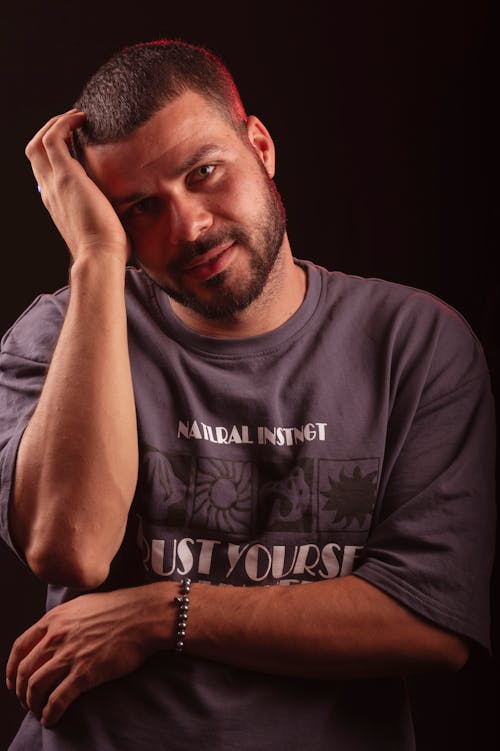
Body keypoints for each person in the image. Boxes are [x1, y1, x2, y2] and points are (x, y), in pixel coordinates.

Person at [0, 39, 495, 751]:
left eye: (204, 172)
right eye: (137, 208)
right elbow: (73, 549)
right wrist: (96, 260)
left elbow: (431, 623)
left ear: (259, 145)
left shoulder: (416, 341)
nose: (188, 226)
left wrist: (162, 613)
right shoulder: (62, 329)